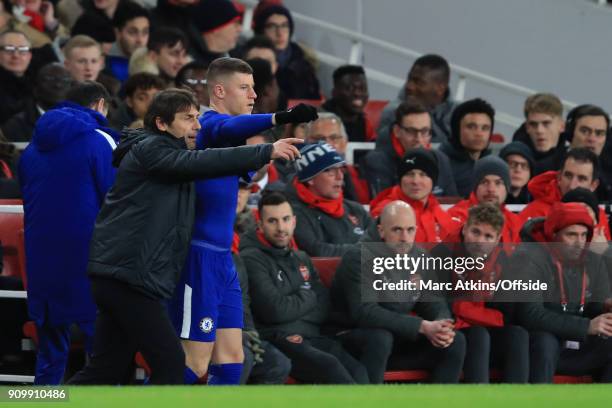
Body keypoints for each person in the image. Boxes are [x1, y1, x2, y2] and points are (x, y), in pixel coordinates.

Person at [67, 88, 302, 385]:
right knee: (171, 362)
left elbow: (205, 160)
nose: (197, 125)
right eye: (187, 118)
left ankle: (32, 401)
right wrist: (265, 150)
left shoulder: (164, 151)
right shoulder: (151, 150)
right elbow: (201, 163)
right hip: (128, 278)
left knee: (104, 371)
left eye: (197, 117)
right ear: (161, 124)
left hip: (125, 277)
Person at [167, 57, 317, 385]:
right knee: (194, 361)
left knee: (232, 359)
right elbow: (229, 127)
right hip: (198, 257)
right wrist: (280, 116)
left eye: (254, 88)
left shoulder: (232, 138)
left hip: (223, 258)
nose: (253, 95)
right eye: (244, 88)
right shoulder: (207, 125)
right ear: (219, 90)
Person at [18, 81, 118, 385]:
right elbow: (118, 202)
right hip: (91, 258)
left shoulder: (32, 147)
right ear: (100, 105)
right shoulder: (100, 140)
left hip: (41, 259)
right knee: (102, 357)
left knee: (49, 357)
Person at [241, 192, 373, 384]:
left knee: (358, 370)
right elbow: (274, 311)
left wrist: (297, 304)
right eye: (272, 221)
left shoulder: (301, 257)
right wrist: (308, 296)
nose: (281, 228)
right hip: (280, 338)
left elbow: (323, 307)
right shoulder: (251, 258)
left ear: (294, 221)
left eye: (285, 219)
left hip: (313, 335)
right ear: (260, 225)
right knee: (331, 367)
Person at [331, 200, 466, 383]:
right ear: (381, 231)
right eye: (397, 230)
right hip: (352, 338)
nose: (405, 238)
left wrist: (441, 326)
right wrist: (422, 326)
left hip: (397, 338)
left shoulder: (419, 257)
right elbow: (364, 313)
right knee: (380, 338)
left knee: (455, 341)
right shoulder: (359, 257)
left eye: (410, 230)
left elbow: (434, 303)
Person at [514, 202, 612, 383]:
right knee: (545, 342)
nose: (579, 243)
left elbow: (595, 308)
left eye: (584, 235)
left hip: (577, 340)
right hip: (538, 342)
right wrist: (586, 326)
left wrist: (605, 308)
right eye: (571, 235)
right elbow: (530, 314)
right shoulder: (528, 257)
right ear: (553, 235)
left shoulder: (592, 260)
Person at [432, 204, 529, 383]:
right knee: (478, 335)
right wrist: (470, 312)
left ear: (497, 238)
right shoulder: (442, 254)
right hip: (454, 334)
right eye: (475, 232)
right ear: (465, 228)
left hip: (485, 330)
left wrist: (464, 309)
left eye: (488, 236)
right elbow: (444, 309)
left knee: (518, 335)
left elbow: (506, 315)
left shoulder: (502, 260)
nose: (480, 241)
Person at [286, 143, 373, 257]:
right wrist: (363, 251)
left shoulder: (356, 209)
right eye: (330, 171)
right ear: (310, 179)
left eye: (340, 169)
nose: (339, 176)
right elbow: (317, 251)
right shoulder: (294, 214)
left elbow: (379, 244)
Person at [363, 100, 457, 197]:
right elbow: (383, 204)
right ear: (397, 131)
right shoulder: (377, 162)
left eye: (424, 131)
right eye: (412, 131)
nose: (419, 139)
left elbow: (451, 202)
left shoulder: (441, 160)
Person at [519, 148, 610, 239]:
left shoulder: (599, 215)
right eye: (568, 176)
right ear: (559, 177)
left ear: (594, 185)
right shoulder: (535, 211)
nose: (572, 185)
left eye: (582, 178)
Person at [369, 148, 456, 243]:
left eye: (423, 174)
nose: (415, 181)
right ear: (400, 179)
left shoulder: (438, 211)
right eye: (409, 174)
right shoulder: (386, 211)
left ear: (433, 181)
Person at [377, 54, 457, 144]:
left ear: (440, 89)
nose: (409, 86)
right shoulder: (394, 112)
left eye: (419, 82)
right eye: (409, 79)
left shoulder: (459, 114)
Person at [253, 3, 320, 100]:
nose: (279, 33)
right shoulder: (249, 58)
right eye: (272, 26)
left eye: (284, 26)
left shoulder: (305, 65)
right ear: (261, 31)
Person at [447, 156, 521, 243]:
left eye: (498, 183)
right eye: (484, 182)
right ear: (475, 187)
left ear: (507, 188)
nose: (491, 189)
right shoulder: (455, 215)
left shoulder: (515, 222)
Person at [305, 112, 370, 203]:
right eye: (319, 139)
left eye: (334, 138)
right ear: (306, 143)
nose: (327, 144)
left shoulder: (361, 175)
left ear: (345, 143)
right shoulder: (294, 177)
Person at [1, 63, 73, 142]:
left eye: (65, 80)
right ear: (35, 89)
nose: (58, 85)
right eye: (50, 79)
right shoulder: (15, 126)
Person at [439, 98, 494, 197]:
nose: (479, 134)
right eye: (471, 127)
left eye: (485, 128)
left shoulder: (495, 164)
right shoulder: (440, 162)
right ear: (456, 129)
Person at [565, 104, 612, 201]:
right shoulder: (545, 168)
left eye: (599, 133)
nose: (592, 139)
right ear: (571, 132)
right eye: (585, 131)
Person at [512, 93, 566, 175]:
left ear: (562, 126)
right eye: (533, 124)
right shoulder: (510, 164)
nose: (539, 130)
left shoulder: (573, 164)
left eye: (546, 123)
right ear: (527, 127)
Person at [322, 65, 375, 142]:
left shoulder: (365, 123)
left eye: (362, 88)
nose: (357, 93)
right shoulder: (319, 121)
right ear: (334, 93)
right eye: (349, 88)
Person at [106, 1, 150, 82]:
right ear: (117, 32)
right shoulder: (104, 65)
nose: (140, 40)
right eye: (132, 32)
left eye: (145, 32)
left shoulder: (154, 64)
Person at [0, 30, 34, 125]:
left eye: (23, 50)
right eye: (9, 49)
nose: (16, 55)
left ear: (29, 56)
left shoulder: (38, 86)